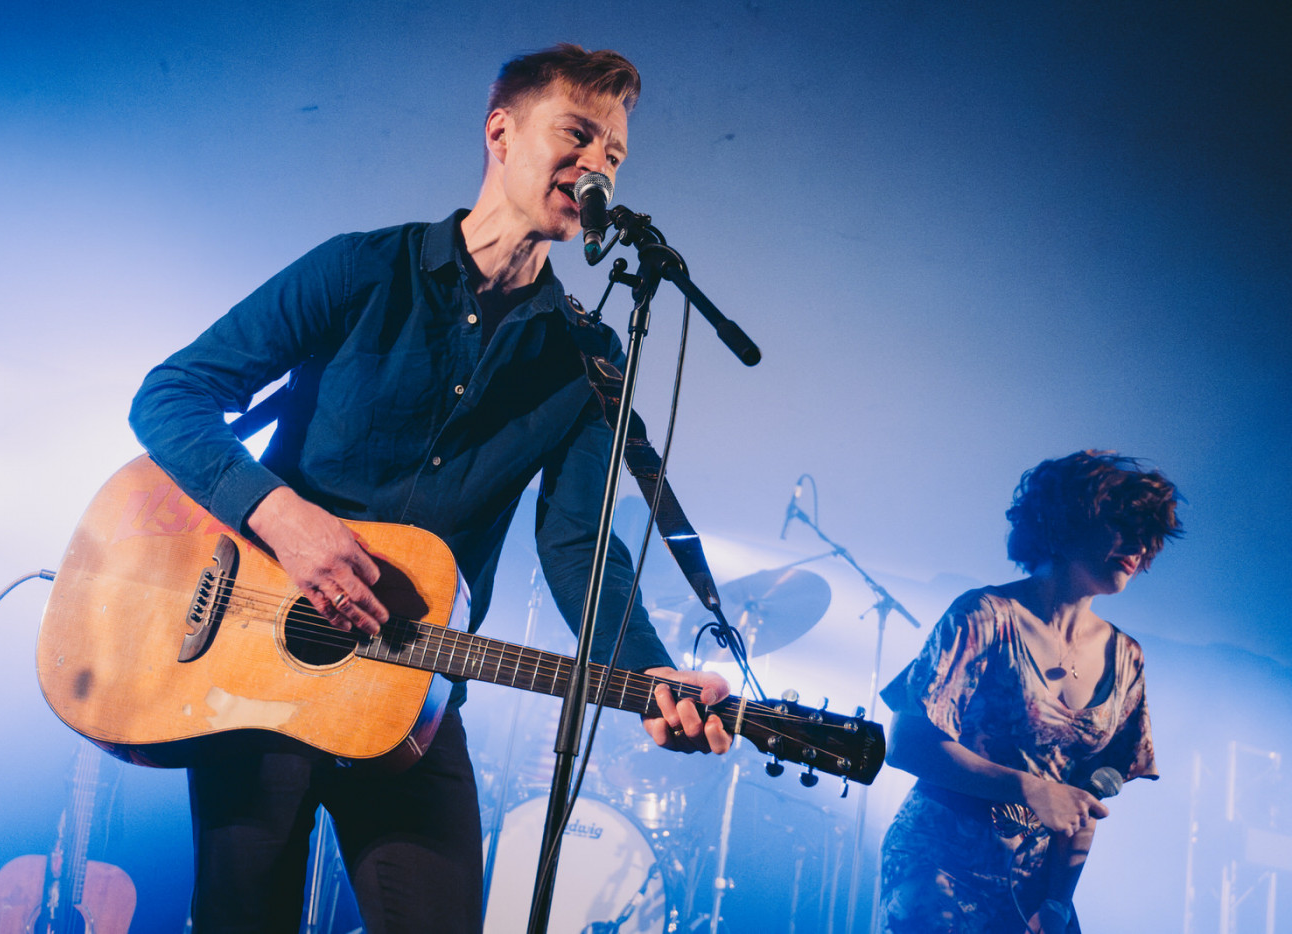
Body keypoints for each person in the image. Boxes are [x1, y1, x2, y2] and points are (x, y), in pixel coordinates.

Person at [128, 44, 732, 934]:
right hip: (254, 666)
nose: (597, 163)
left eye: (614, 154)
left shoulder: (587, 361)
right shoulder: (359, 271)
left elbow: (578, 543)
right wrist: (284, 518)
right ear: (501, 130)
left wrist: (647, 674)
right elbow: (169, 397)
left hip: (413, 690)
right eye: (578, 135)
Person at [877, 450, 1182, 933]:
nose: (1141, 545)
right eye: (1125, 523)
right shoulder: (984, 616)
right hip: (941, 866)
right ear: (1068, 519)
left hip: (1035, 889)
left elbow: (1087, 798)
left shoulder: (1127, 658)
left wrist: (1059, 901)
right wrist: (1028, 787)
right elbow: (906, 744)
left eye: (1151, 535)